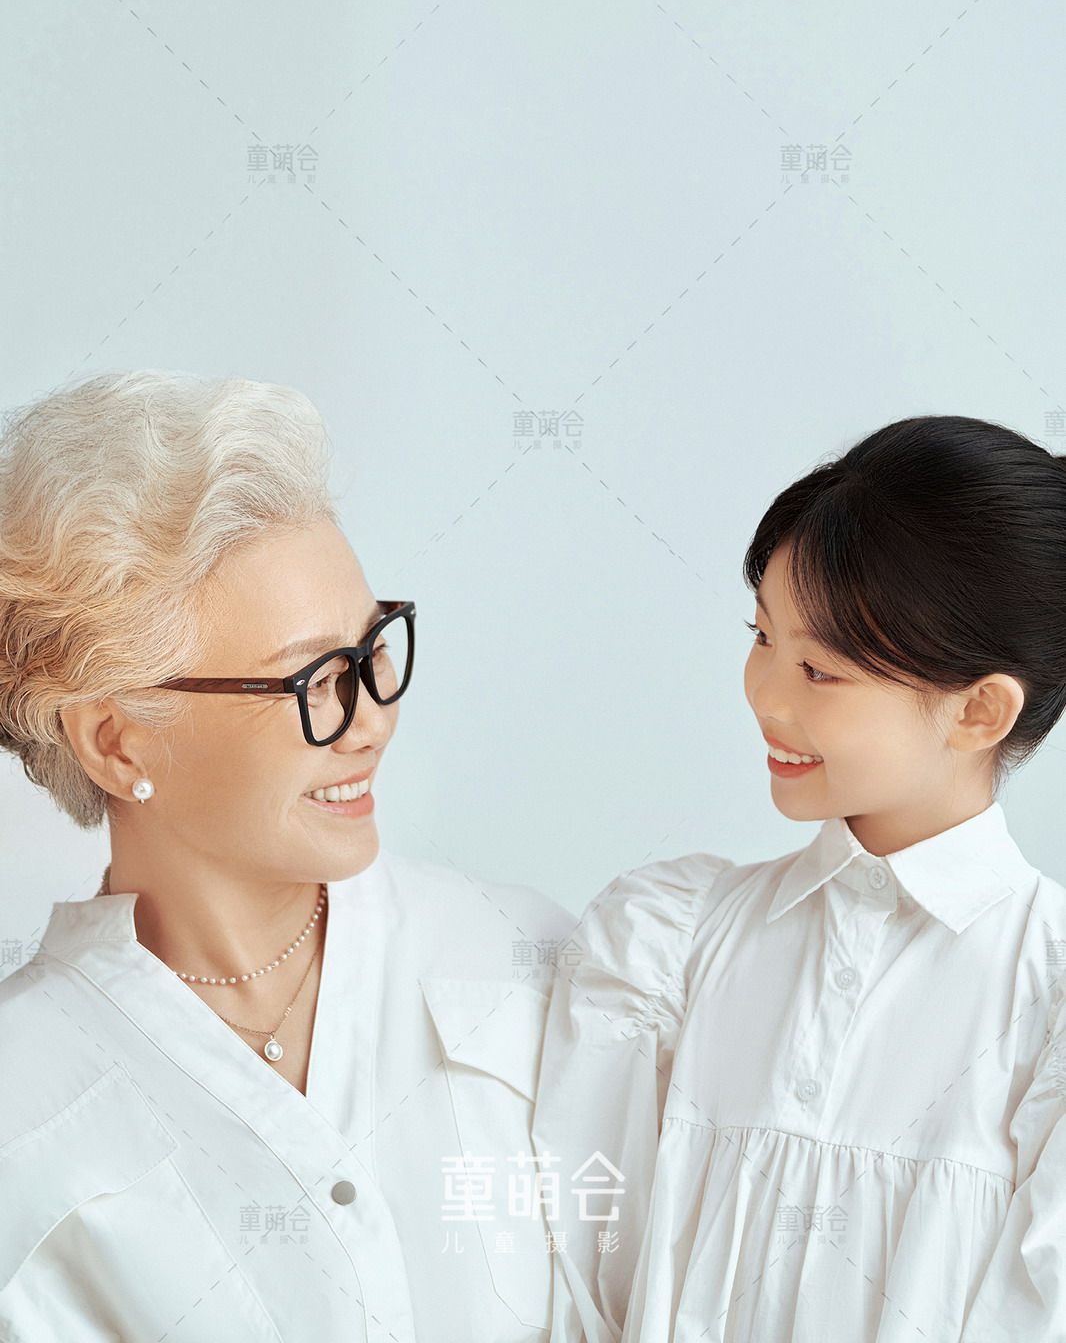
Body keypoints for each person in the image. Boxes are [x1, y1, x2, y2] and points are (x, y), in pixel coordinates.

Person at [0, 368, 576, 1343]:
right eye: (313, 679)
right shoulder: (25, 1108)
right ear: (117, 743)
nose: (372, 720)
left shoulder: (524, 960)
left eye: (372, 651)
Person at [532, 414, 1066, 1342]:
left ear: (979, 710)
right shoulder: (671, 942)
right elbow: (577, 1269)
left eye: (819, 669)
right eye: (761, 636)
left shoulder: (1046, 995)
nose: (766, 695)